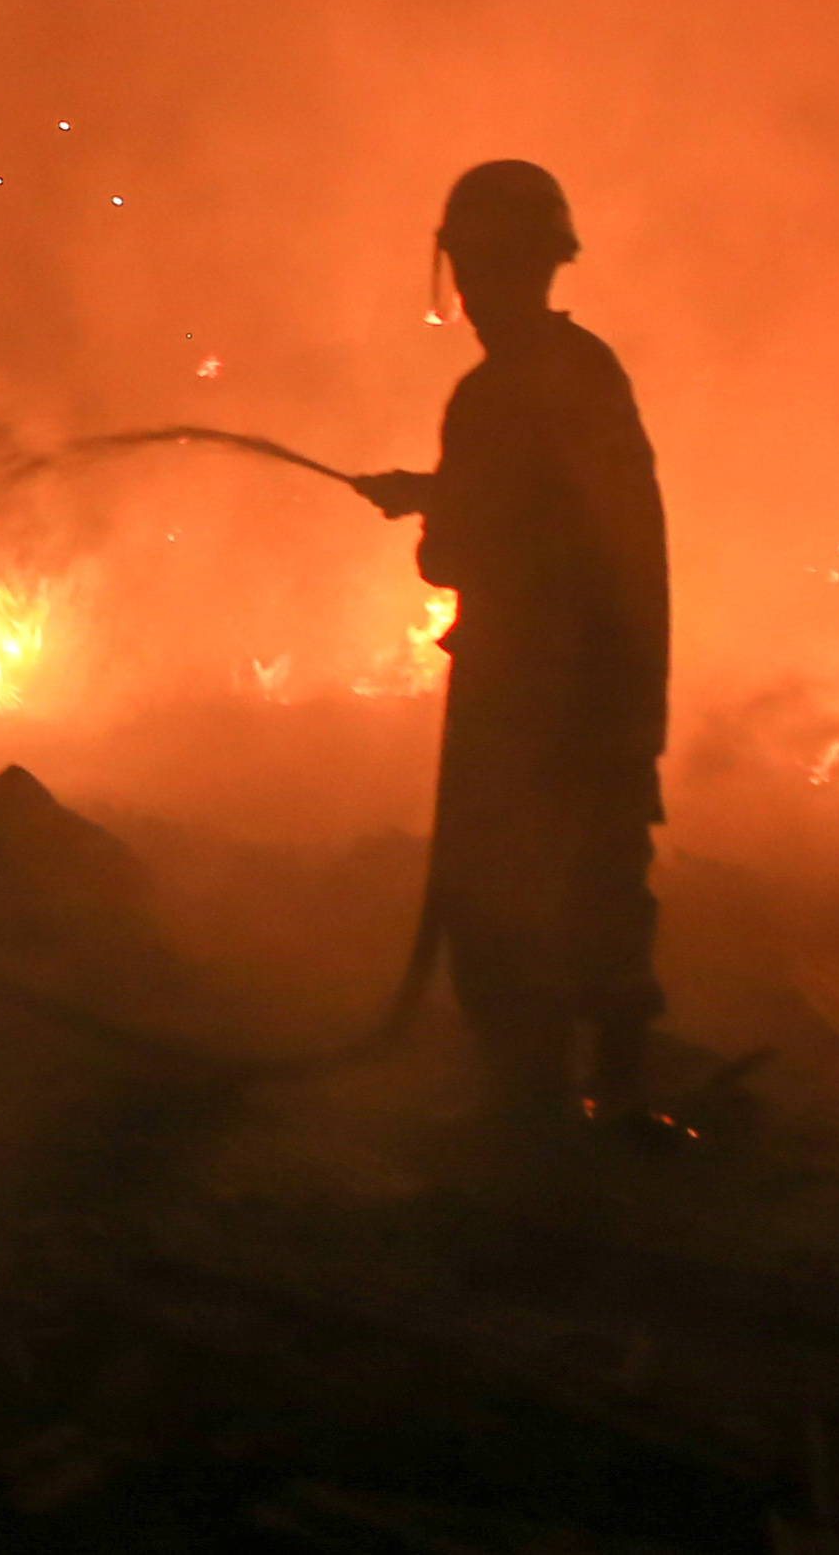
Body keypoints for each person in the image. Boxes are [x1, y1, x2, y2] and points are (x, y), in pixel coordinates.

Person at [353, 159, 676, 1139]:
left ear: (465, 270)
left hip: (517, 702)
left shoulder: (490, 394)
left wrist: (436, 514)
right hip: (612, 692)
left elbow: (459, 554)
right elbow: (568, 514)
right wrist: (434, 488)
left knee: (500, 903)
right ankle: (620, 1096)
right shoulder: (589, 369)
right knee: (603, 891)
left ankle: (525, 1120)